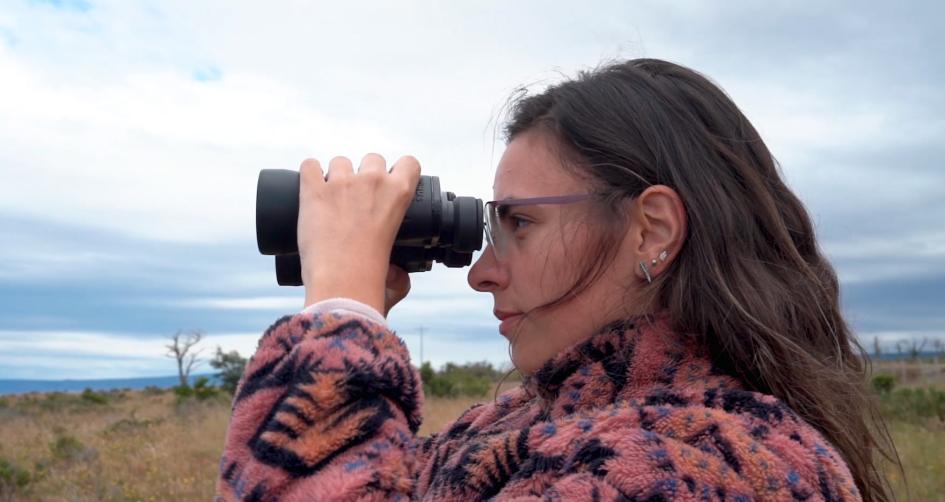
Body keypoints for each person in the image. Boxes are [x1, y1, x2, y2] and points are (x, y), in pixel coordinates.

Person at [216, 58, 893, 501]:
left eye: (521, 224)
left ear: (650, 231)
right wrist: (356, 301)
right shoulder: (534, 421)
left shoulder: (720, 467)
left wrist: (342, 315)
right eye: (489, 228)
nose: (481, 273)